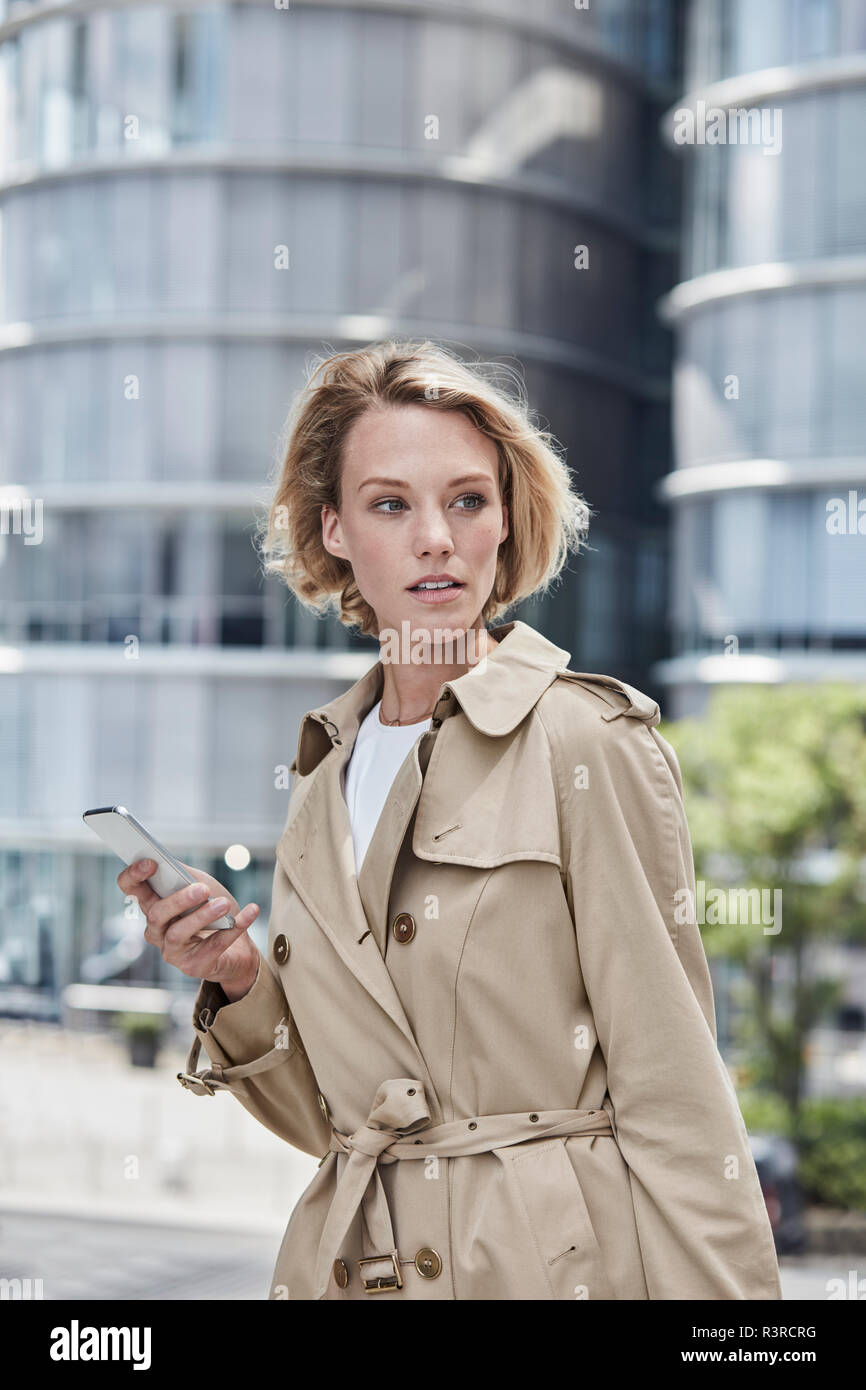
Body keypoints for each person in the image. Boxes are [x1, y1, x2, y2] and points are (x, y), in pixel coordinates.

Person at [118, 338, 783, 1301]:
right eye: (392, 504)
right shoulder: (321, 776)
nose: (436, 536)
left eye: (467, 500)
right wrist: (238, 979)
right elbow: (338, 1123)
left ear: (506, 521)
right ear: (335, 528)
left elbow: (677, 1092)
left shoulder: (585, 742)